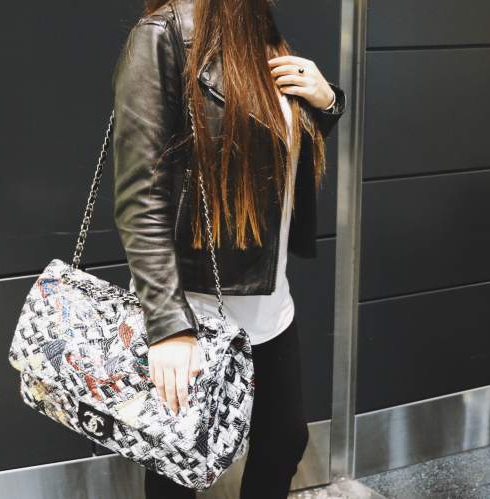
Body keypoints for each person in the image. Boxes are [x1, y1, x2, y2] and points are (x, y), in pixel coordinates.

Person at [111, 0, 346, 497]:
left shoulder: (257, 29)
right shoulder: (161, 35)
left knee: (284, 442)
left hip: (269, 303)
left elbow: (265, 147)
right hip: (192, 310)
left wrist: (326, 104)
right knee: (176, 464)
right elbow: (140, 198)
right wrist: (167, 326)